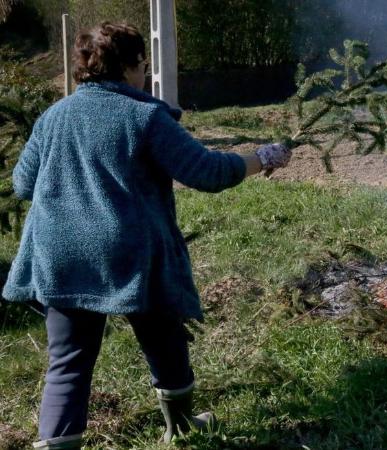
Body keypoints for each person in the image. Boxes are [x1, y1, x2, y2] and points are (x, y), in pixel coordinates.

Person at [1, 22, 291, 449]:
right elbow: (207, 172)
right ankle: (181, 425)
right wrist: (261, 157)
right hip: (127, 253)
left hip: (58, 254)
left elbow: (24, 183)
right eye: (142, 65)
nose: (144, 74)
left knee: (68, 362)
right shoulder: (145, 116)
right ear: (130, 66)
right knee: (164, 338)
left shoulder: (53, 116)